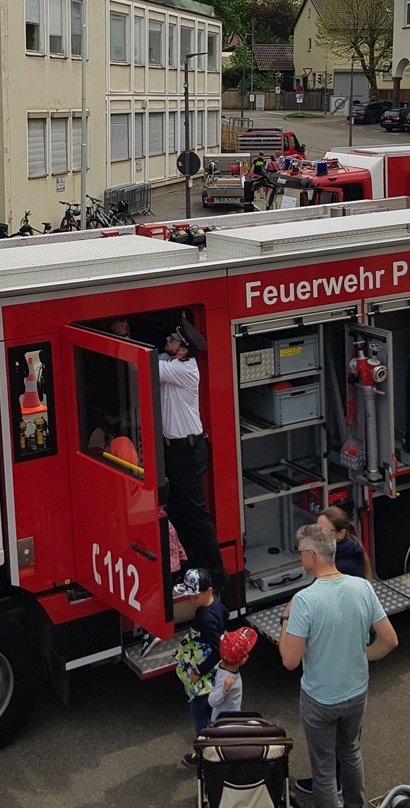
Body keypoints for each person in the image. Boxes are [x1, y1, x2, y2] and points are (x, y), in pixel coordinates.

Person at [280, 524, 398, 808]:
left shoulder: (304, 600)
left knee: (323, 769)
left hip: (320, 699)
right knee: (350, 752)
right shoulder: (362, 587)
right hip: (356, 692)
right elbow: (390, 640)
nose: (300, 558)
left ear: (311, 556)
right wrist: (359, 656)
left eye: (300, 553)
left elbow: (289, 660)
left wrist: (285, 619)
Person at [158, 320, 226, 588]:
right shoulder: (172, 362)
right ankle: (191, 565)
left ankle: (216, 575)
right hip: (175, 449)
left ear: (184, 350)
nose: (167, 341)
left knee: (195, 513)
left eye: (172, 339)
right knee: (178, 509)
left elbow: (143, 362)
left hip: (187, 450)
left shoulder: (183, 370)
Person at [179, 567, 228, 766]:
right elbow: (225, 616)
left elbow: (217, 650)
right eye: (189, 596)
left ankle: (203, 754)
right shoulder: (216, 603)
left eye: (195, 596)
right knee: (211, 710)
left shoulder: (205, 618)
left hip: (206, 671)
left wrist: (198, 671)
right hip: (216, 671)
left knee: (198, 711)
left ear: (209, 591)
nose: (192, 601)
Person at [208, 627, 258, 722]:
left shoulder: (223, 664)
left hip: (231, 715)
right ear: (243, 659)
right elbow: (212, 701)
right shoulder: (226, 678)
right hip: (225, 721)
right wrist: (224, 689)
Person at [317, 505, 373, 579]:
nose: (317, 535)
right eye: (316, 529)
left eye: (325, 531)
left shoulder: (342, 566)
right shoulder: (340, 553)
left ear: (341, 533)